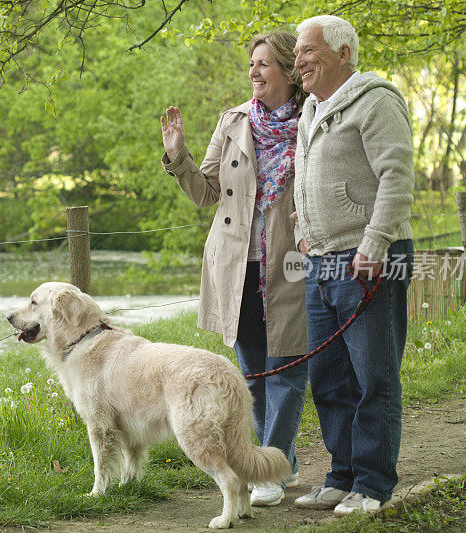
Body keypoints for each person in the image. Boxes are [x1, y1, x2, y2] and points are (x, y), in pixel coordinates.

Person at [160, 31, 308, 507]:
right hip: (236, 262)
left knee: (286, 363)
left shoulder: (315, 118)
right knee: (252, 372)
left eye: (264, 64)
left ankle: (272, 467)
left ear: (287, 70)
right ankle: (274, 460)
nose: (254, 72)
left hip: (291, 261)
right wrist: (178, 154)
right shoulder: (233, 121)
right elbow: (205, 192)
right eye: (251, 64)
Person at [290, 15, 415, 515]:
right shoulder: (311, 109)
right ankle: (341, 477)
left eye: (308, 50)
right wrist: (303, 233)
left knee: (373, 378)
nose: (298, 59)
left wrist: (375, 244)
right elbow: (305, 182)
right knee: (329, 379)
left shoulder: (376, 101)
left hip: (370, 260)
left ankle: (373, 485)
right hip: (320, 263)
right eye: (297, 52)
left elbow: (397, 177)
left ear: (343, 53)